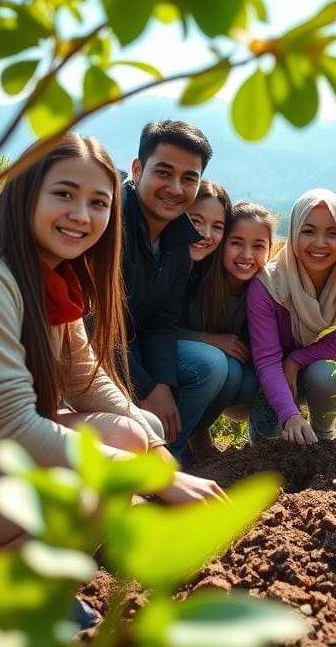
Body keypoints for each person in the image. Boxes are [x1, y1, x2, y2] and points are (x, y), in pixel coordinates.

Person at [0, 134, 225, 616]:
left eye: (98, 203)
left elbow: (85, 380)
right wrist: (151, 478)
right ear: (25, 193)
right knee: (84, 492)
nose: (81, 215)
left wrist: (156, 450)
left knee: (129, 432)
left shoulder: (47, 277)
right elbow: (9, 428)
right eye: (64, 194)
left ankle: (21, 572)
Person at [120, 120, 225, 460]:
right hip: (91, 352)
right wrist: (147, 388)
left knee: (210, 366)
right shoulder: (110, 224)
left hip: (136, 346)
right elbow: (91, 326)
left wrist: (163, 385)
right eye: (163, 173)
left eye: (189, 178)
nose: (176, 188)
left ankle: (171, 460)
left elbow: (162, 322)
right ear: (138, 169)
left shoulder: (179, 239)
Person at [247, 188, 336, 445]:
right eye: (308, 231)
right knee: (270, 446)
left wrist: (295, 360)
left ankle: (323, 440)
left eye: (333, 233)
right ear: (294, 232)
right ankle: (263, 436)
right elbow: (266, 359)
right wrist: (290, 415)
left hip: (311, 370)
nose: (319, 243)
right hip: (269, 376)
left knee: (326, 374)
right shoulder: (268, 286)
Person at [181, 200, 275, 461]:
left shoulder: (267, 290)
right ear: (222, 244)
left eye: (258, 246)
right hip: (186, 369)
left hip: (229, 378)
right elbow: (159, 329)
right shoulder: (198, 279)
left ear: (270, 249)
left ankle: (265, 446)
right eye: (236, 243)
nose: (247, 255)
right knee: (225, 368)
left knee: (247, 377)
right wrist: (209, 339)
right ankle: (182, 441)